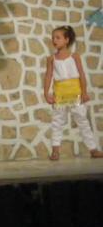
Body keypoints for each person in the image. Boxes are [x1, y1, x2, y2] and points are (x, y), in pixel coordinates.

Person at [44, 25, 103, 161]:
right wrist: (46, 94)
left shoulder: (75, 56)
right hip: (60, 95)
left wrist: (84, 92)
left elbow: (81, 74)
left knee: (82, 121)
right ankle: (55, 151)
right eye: (53, 38)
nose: (54, 40)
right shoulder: (51, 59)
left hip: (76, 94)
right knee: (57, 122)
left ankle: (93, 149)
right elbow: (48, 76)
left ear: (66, 40)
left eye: (58, 37)